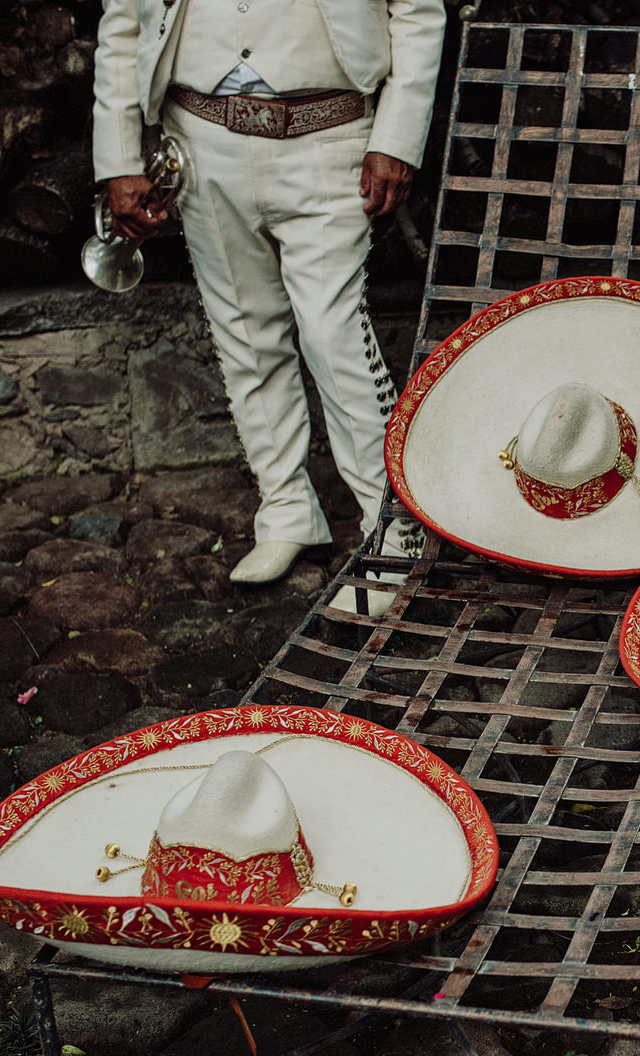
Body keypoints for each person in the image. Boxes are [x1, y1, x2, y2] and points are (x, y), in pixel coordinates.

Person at [91, 0, 444, 613]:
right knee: (244, 334)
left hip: (330, 136)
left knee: (333, 334)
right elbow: (123, 21)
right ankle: (285, 509)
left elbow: (417, 9)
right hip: (200, 141)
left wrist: (397, 135)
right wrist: (120, 156)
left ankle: (394, 527)